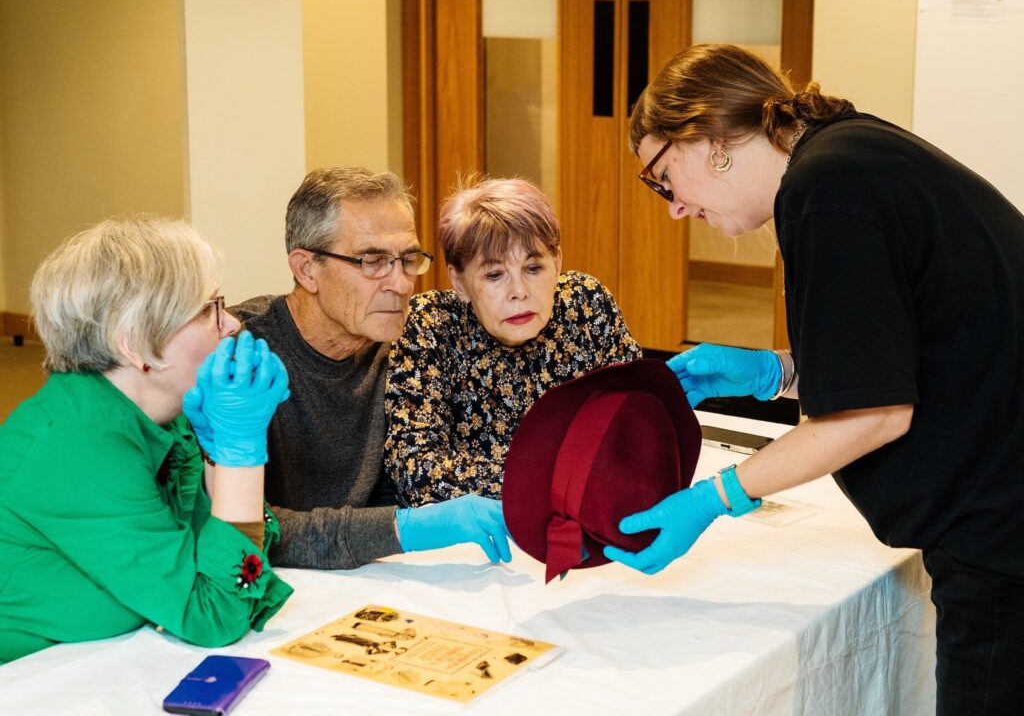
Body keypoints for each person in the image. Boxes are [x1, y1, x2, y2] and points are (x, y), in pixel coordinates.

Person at [608, 43, 1024, 714]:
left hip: (1003, 527)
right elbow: (892, 361)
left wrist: (717, 496)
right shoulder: (849, 153)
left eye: (663, 178)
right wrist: (773, 373)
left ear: (711, 139)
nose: (675, 208)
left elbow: (876, 414)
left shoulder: (823, 192)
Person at [0, 216, 293, 663]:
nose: (231, 323)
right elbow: (214, 612)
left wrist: (218, 456)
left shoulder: (160, 421)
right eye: (208, 308)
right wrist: (239, 457)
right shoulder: (80, 447)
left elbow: (221, 566)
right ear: (137, 344)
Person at [231, 167, 510, 570]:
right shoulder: (240, 357)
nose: (400, 283)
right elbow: (248, 532)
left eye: (408, 259)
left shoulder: (413, 345)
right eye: (373, 261)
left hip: (380, 584)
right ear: (306, 269)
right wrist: (404, 528)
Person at [385, 177, 642, 506]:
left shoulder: (586, 303)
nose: (519, 291)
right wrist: (564, 481)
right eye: (494, 275)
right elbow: (416, 474)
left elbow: (636, 427)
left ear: (558, 263)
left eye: (533, 268)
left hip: (593, 515)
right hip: (479, 540)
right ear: (459, 282)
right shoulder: (430, 325)